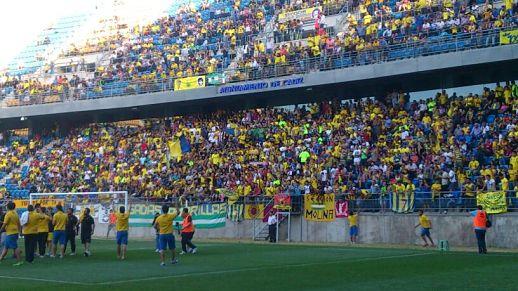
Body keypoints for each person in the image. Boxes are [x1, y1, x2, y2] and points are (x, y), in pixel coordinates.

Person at [0, 202, 23, 266]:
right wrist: (20, 231)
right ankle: (0, 259)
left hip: (10, 233)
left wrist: (1, 230)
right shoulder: (15, 213)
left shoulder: (8, 214)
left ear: (8, 207)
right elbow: (19, 224)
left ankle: (19, 261)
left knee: (15, 247)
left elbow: (5, 224)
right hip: (14, 232)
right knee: (6, 247)